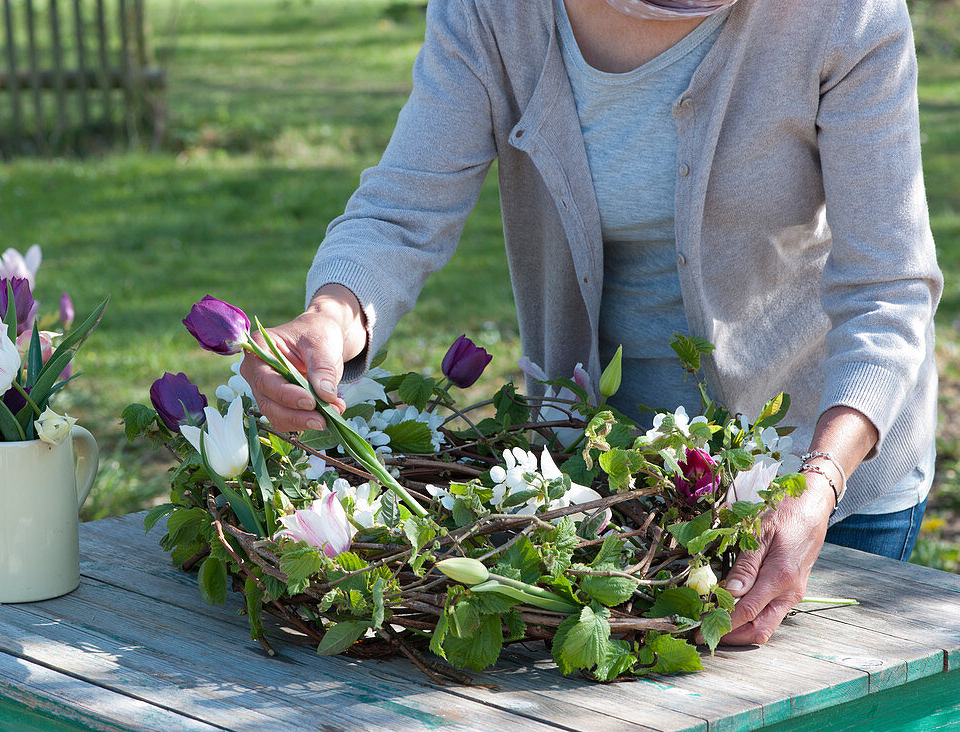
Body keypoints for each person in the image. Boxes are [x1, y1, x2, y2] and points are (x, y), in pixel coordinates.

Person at [241, 0, 941, 647]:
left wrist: (816, 482)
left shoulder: (844, 15)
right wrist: (330, 318)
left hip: (822, 481)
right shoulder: (495, 13)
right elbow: (402, 210)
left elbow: (888, 287)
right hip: (601, 494)